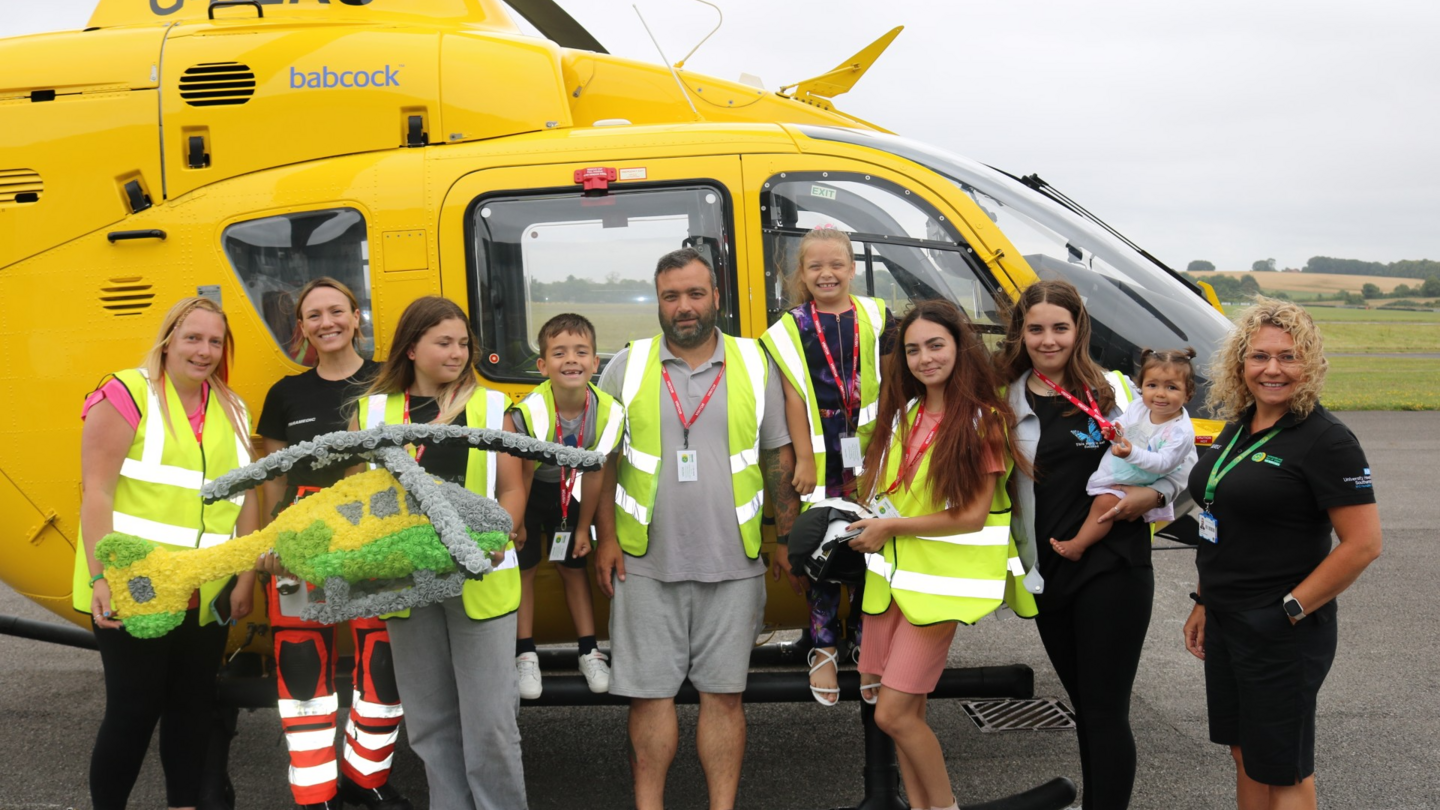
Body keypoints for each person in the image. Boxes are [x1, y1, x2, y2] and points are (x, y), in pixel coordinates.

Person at [594, 247, 800, 810]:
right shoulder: (627, 365)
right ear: (657, 302)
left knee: (725, 698)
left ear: (716, 297)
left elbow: (778, 455)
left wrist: (783, 538)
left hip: (734, 563)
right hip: (643, 565)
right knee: (648, 699)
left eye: (694, 294)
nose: (684, 307)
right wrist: (606, 540)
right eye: (670, 296)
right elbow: (602, 461)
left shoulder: (755, 363)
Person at [1182, 298, 1381, 810]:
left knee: (1284, 768)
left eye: (1289, 357)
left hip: (1283, 628)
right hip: (1228, 617)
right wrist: (1205, 600)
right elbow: (1218, 521)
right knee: (1245, 753)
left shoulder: (1326, 440)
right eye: (1260, 356)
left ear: (1310, 364)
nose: (1272, 369)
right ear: (1239, 363)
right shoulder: (1238, 426)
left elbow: (1363, 544)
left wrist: (1288, 610)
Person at [996, 280, 1186, 810]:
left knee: (1105, 709)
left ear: (1078, 330)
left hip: (1113, 566)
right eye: (1036, 328)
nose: (1048, 339)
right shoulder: (1004, 401)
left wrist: (1151, 494)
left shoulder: (1118, 392)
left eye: (1060, 327)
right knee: (1086, 704)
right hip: (1049, 569)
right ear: (1022, 333)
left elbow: (1181, 463)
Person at [76, 296, 260, 810]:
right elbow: (98, 492)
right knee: (134, 710)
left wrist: (244, 576)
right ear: (168, 340)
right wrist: (101, 578)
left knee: (191, 709)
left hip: (205, 591)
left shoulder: (233, 407)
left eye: (215, 342)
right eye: (193, 338)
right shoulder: (126, 392)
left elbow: (245, 497)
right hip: (135, 584)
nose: (204, 351)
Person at [845, 299, 1028, 810]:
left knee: (893, 716)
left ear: (958, 347)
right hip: (892, 586)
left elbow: (972, 515)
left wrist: (891, 526)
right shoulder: (905, 414)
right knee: (905, 712)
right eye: (913, 350)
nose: (925, 358)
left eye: (935, 345)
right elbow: (892, 494)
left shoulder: (983, 421)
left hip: (937, 589)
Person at [353, 296, 527, 810]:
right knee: (429, 725)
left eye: (463, 343)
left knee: (491, 726)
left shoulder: (491, 408)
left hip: (480, 581)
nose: (457, 353)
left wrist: (496, 539)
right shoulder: (372, 413)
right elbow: (359, 497)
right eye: (443, 343)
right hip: (408, 584)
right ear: (411, 348)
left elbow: (513, 490)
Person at [255, 279, 409, 810]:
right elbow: (272, 482)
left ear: (355, 317)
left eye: (336, 311)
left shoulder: (391, 382)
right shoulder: (284, 394)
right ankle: (315, 792)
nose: (327, 322)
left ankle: (368, 781)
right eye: (313, 315)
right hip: (299, 540)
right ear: (302, 328)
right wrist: (267, 545)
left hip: (375, 537)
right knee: (301, 666)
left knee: (384, 662)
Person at [760, 226, 893, 706]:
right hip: (823, 458)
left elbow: (896, 384)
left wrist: (885, 450)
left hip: (875, 454)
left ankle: (864, 640)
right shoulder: (790, 327)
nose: (826, 273)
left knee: (869, 547)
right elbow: (793, 396)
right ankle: (823, 647)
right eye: (815, 266)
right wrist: (803, 459)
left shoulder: (877, 317)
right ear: (802, 273)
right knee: (822, 551)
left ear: (853, 268)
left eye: (836, 264)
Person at [510, 313, 625, 697]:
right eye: (559, 353)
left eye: (581, 352)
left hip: (571, 491)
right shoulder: (529, 411)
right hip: (531, 492)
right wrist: (520, 523)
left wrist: (582, 529)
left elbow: (596, 474)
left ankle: (589, 650)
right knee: (524, 571)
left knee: (573, 566)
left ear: (596, 362)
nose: (571, 360)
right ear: (543, 365)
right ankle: (525, 655)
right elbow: (522, 473)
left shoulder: (609, 411)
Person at [1051, 348, 1198, 561]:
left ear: (1189, 393)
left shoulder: (1180, 431)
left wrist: (1131, 453)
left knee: (1104, 504)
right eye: (1152, 385)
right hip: (1125, 473)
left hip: (1141, 483)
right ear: (1141, 387)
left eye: (1171, 387)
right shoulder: (1139, 406)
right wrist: (1114, 431)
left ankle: (1078, 545)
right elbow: (1124, 428)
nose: (1160, 393)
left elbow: (1165, 463)